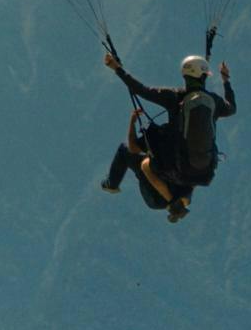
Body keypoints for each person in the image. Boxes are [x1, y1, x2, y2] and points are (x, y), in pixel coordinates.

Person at [98, 30, 237, 221]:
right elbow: (232, 108)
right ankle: (181, 202)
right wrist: (226, 80)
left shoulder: (173, 97)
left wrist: (117, 68)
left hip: (177, 167)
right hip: (204, 170)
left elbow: (140, 90)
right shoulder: (214, 102)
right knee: (190, 174)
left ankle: (115, 186)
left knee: (146, 164)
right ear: (204, 76)